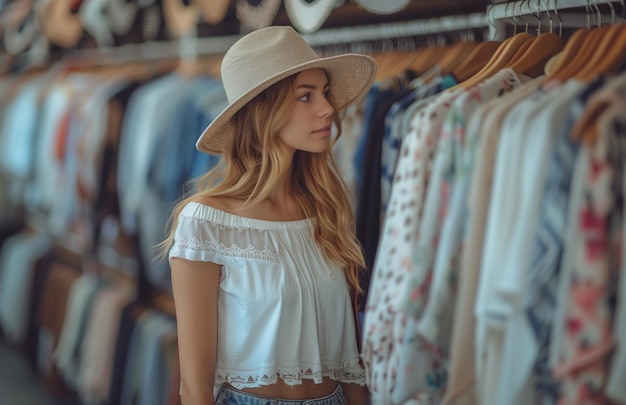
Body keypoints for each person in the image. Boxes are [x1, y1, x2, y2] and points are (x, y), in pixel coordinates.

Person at [160, 25, 377, 405]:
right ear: (264, 111)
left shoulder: (326, 208)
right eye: (305, 96)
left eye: (324, 93)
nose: (328, 108)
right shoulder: (206, 223)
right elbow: (195, 387)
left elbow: (349, 364)